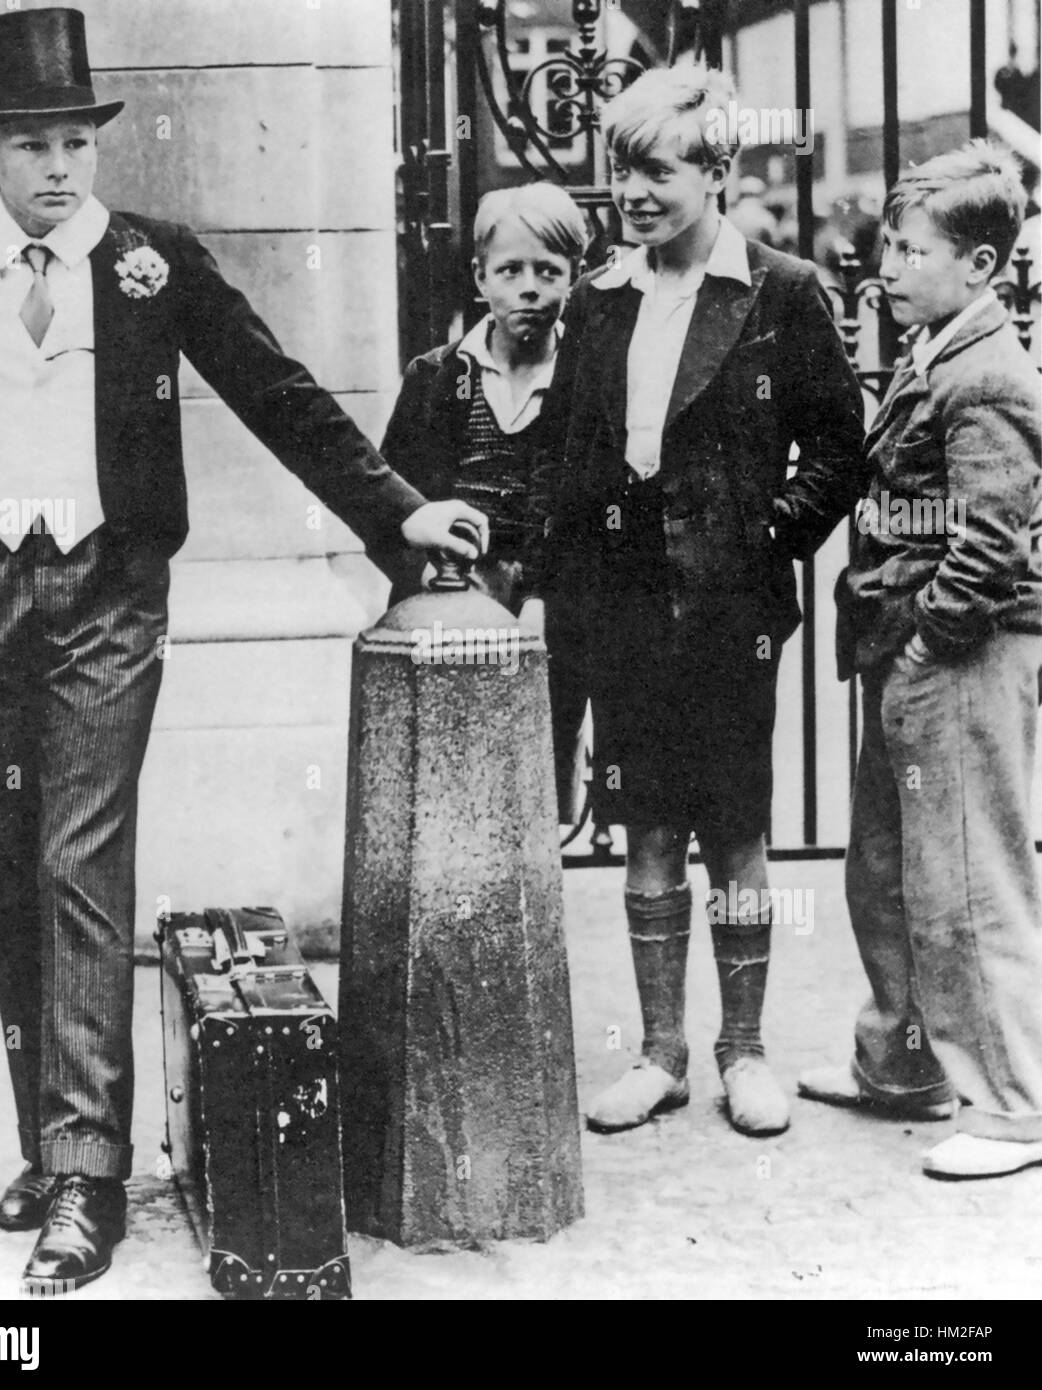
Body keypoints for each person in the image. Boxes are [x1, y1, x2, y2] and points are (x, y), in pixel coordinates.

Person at [0, 7, 485, 1294]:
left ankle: (87, 1180)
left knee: (79, 861)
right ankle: (51, 1145)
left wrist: (397, 510)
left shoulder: (151, 261)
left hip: (110, 592)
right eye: (30, 144)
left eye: (74, 141)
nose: (59, 167)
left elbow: (274, 390)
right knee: (7, 865)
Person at [539, 63, 865, 1137]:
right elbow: (573, 461)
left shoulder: (779, 291)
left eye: (656, 170)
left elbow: (835, 449)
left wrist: (762, 541)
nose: (630, 191)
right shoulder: (595, 300)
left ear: (717, 172)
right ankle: (660, 1053)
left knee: (733, 831)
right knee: (642, 830)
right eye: (620, 168)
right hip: (623, 605)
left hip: (729, 615)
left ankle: (744, 1050)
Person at [799, 142, 1042, 1180]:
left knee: (966, 879)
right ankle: (901, 1063)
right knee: (889, 867)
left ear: (979, 266)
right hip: (909, 641)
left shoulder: (985, 367)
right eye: (884, 246)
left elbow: (990, 537)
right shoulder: (937, 343)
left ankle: (1010, 1103)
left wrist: (931, 640)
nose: (883, 266)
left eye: (907, 249)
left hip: (957, 652)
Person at [377, 181, 590, 815]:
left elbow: (595, 511)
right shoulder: (437, 377)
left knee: (534, 796)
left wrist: (551, 596)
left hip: (547, 620)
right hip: (446, 610)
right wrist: (426, 579)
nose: (530, 287)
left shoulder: (587, 379)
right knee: (445, 787)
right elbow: (391, 508)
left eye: (549, 271)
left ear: (574, 277)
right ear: (480, 276)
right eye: (510, 270)